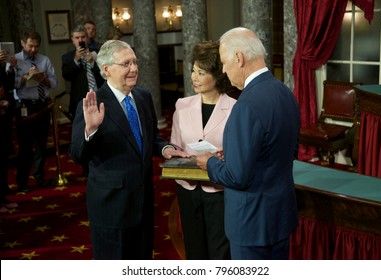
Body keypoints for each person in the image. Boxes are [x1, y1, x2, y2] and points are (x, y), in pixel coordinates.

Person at [69, 40, 188, 260]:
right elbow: (77, 155)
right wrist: (91, 130)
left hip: (142, 202)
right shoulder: (92, 104)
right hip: (111, 208)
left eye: (135, 62)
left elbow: (151, 139)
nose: (134, 68)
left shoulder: (143, 97)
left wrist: (165, 149)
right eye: (126, 64)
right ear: (106, 70)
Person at [197, 27, 300, 260]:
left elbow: (236, 177)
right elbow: (287, 152)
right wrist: (235, 153)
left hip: (251, 224)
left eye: (224, 62)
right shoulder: (285, 93)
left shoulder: (246, 105)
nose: (223, 70)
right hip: (280, 217)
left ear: (238, 58)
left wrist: (210, 162)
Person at [169, 41, 236, 259]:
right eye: (193, 71)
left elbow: (240, 153)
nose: (194, 77)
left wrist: (226, 155)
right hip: (188, 189)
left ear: (218, 75)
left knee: (220, 252)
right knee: (194, 251)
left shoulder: (235, 109)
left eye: (201, 72)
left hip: (219, 190)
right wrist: (173, 152)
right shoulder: (182, 105)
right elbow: (176, 145)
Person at [14, 31, 57, 192]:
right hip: (25, 106)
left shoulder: (44, 60)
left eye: (36, 46)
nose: (33, 50)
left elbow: (53, 82)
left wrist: (42, 79)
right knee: (25, 146)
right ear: (23, 43)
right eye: (30, 46)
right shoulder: (15, 60)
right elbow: (10, 83)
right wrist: (24, 78)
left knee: (41, 145)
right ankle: (22, 181)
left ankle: (39, 176)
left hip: (42, 105)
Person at [62, 25, 104, 120]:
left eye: (83, 37)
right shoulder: (67, 57)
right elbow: (66, 76)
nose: (80, 40)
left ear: (87, 38)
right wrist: (76, 60)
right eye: (77, 38)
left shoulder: (98, 53)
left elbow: (106, 73)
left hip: (100, 97)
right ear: (72, 40)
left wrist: (92, 62)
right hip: (80, 101)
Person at [0, 50, 17, 213]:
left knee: (3, 157)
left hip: (3, 118)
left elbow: (8, 85)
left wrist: (9, 68)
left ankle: (3, 195)